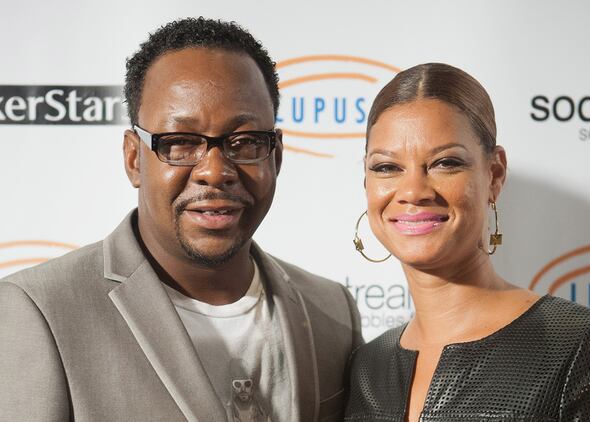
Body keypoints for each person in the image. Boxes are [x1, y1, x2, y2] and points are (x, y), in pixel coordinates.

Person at [0, 17, 362, 422]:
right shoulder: (39, 311)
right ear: (134, 158)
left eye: (243, 142)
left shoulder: (332, 310)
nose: (215, 170)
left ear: (275, 156)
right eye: (180, 142)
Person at [344, 63, 590, 421]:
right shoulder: (368, 366)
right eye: (387, 167)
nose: (413, 191)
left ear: (494, 175)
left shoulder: (579, 344)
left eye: (445, 163)